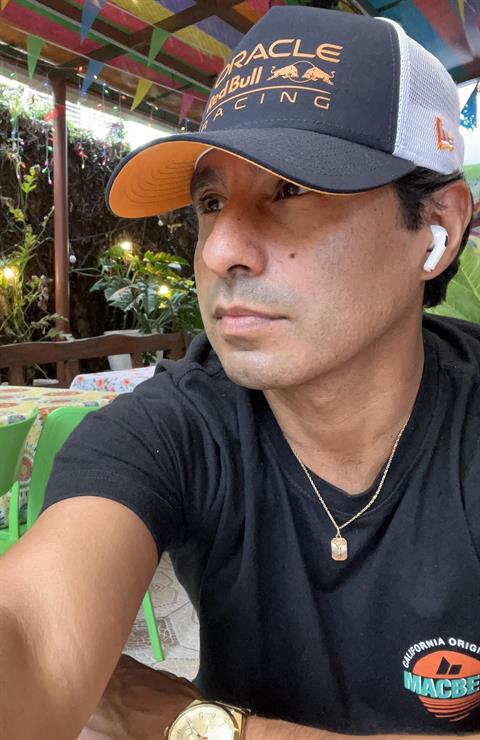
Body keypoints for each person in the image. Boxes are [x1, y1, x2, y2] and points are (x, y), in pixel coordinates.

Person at [0, 5, 477, 739]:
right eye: (211, 202)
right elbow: (32, 640)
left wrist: (190, 720)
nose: (220, 250)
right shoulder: (173, 427)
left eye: (291, 189)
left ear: (437, 227)